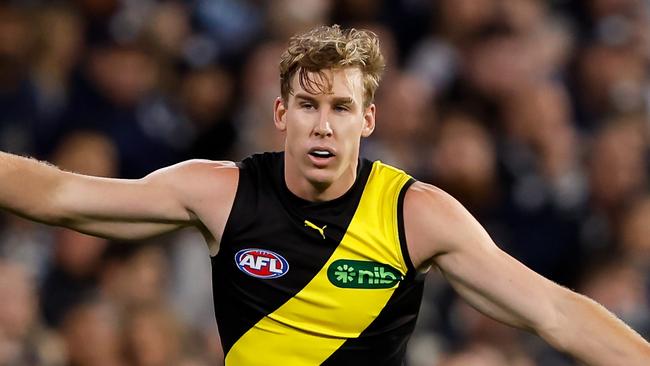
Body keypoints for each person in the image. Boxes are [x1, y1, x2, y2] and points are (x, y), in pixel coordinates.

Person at [0, 25, 648, 365]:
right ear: (281, 113)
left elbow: (556, 314)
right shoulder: (221, 192)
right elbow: (59, 195)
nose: (324, 124)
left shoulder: (414, 214)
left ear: (368, 120)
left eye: (342, 107)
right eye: (308, 104)